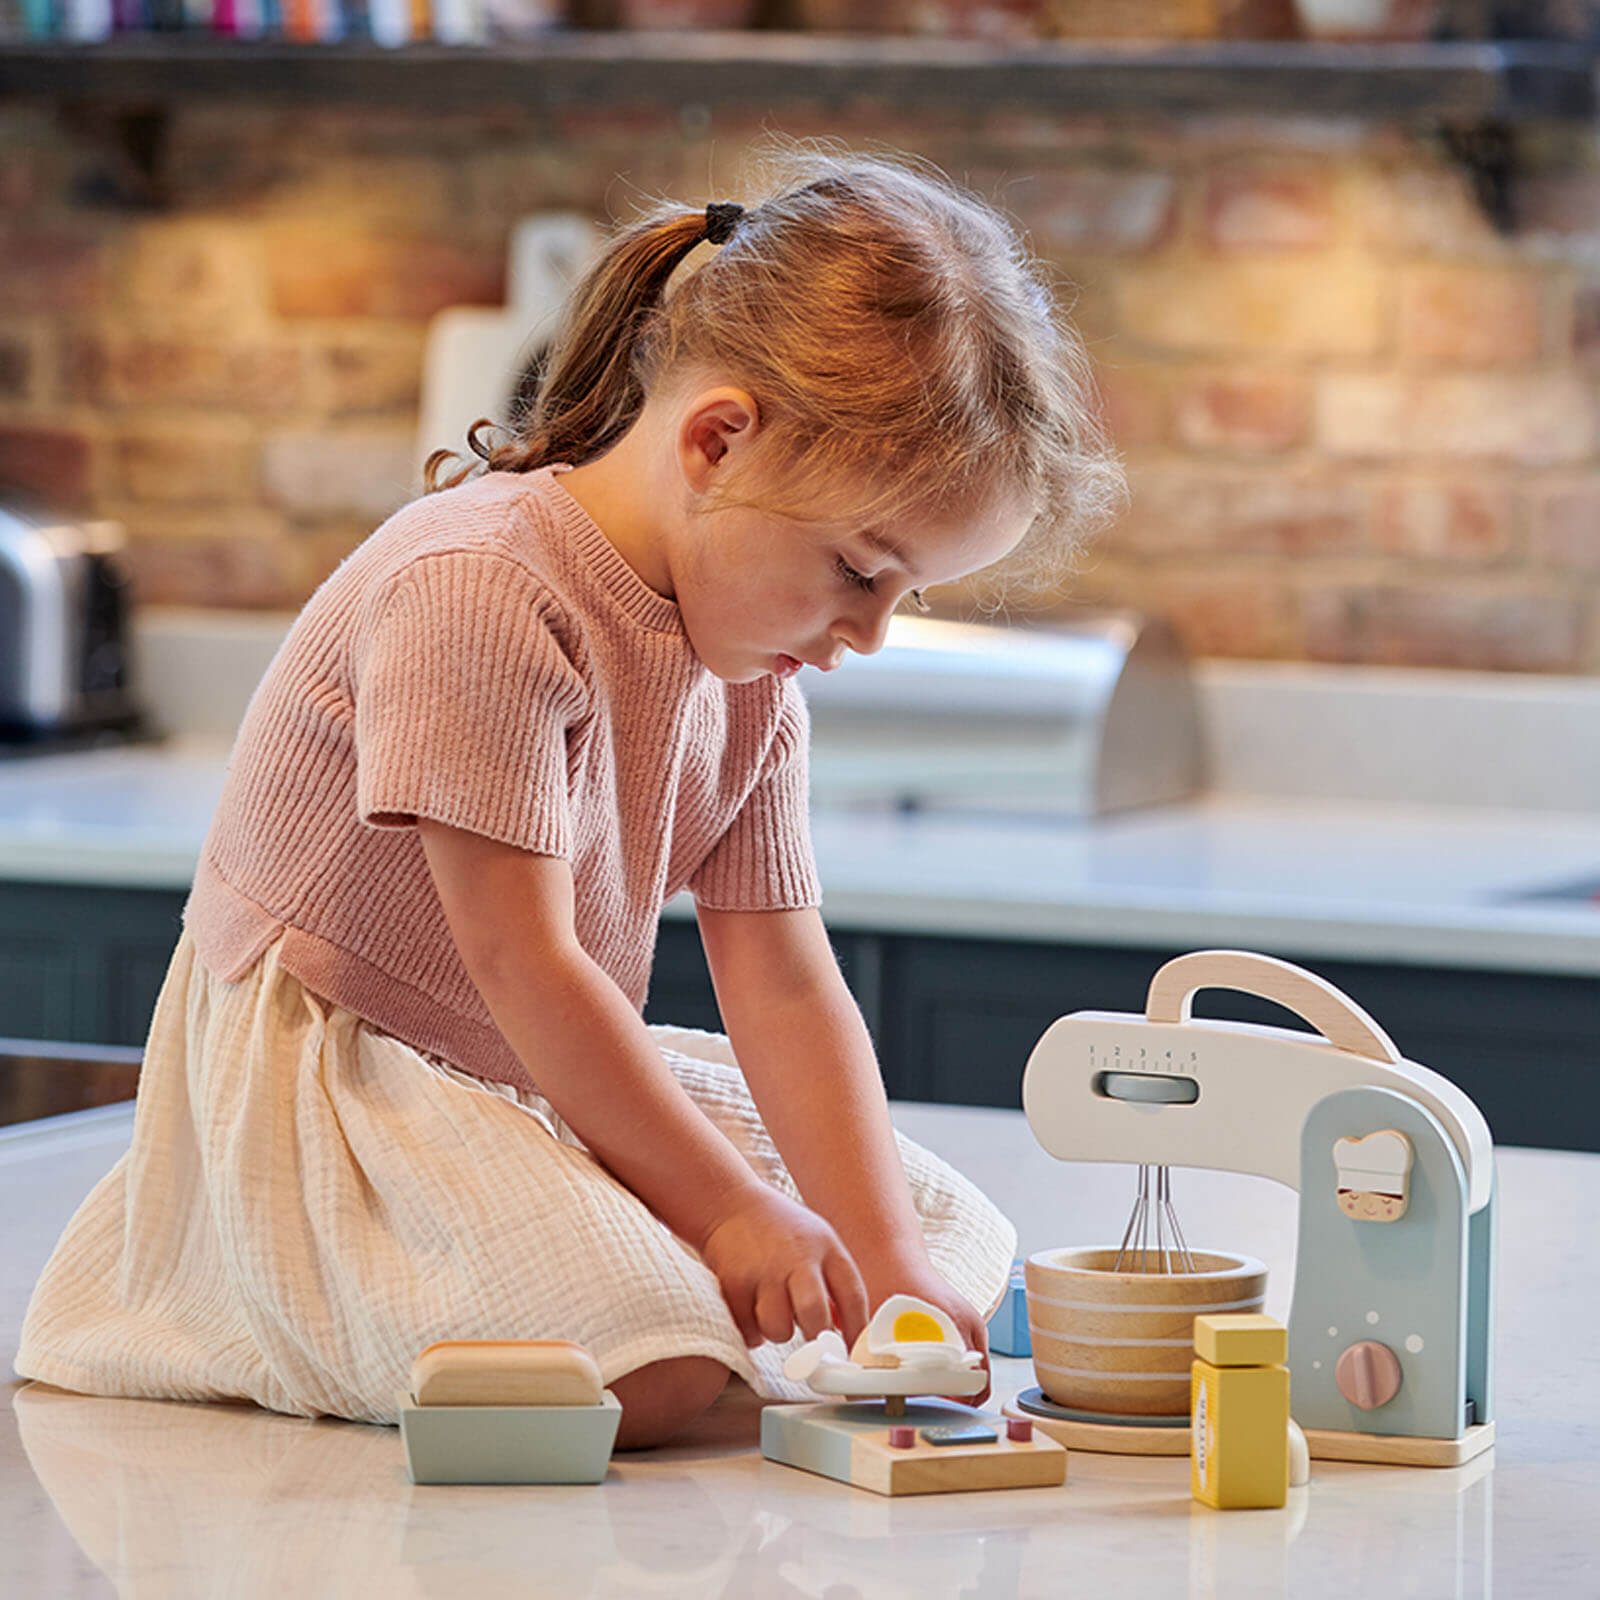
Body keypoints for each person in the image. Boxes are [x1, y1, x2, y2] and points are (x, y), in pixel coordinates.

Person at [15, 142, 1124, 1448]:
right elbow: (524, 968)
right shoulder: (482, 590)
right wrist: (730, 1216)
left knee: (942, 1240)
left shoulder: (750, 665)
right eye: (859, 570)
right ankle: (253, 1311)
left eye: (908, 594)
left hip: (518, 1072)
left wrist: (885, 1266)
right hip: (352, 1082)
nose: (869, 634)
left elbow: (781, 975)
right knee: (650, 1365)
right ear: (719, 440)